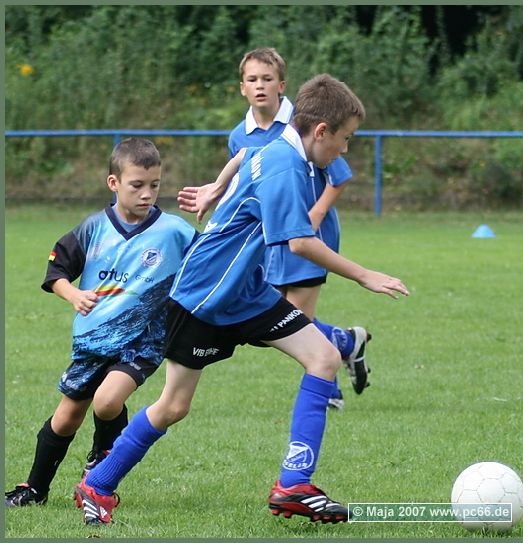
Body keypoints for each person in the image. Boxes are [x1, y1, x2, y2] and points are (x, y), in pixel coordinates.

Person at [74, 74, 409, 525]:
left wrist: (217, 187)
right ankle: (97, 485)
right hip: (204, 295)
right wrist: (365, 274)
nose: (346, 150)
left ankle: (294, 485)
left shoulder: (279, 149)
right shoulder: (287, 165)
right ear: (321, 131)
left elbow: (244, 156)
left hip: (247, 292)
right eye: (346, 139)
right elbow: (299, 243)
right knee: (173, 406)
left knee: (325, 358)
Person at [5, 138, 198, 507]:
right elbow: (57, 270)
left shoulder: (175, 230)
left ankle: (100, 465)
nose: (147, 194)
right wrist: (74, 295)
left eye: (154, 185)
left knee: (108, 402)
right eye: (137, 185)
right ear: (114, 183)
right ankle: (34, 489)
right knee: (65, 419)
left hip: (144, 340)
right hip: (93, 339)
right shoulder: (93, 227)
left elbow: (204, 265)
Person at [178, 47, 368, 409]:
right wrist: (215, 190)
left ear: (282, 85)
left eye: (267, 79)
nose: (260, 86)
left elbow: (339, 177)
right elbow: (245, 169)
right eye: (253, 80)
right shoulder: (240, 136)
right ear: (242, 88)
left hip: (308, 237)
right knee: (275, 322)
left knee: (294, 320)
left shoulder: (307, 124)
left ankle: (329, 381)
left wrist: (312, 216)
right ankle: (344, 344)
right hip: (268, 241)